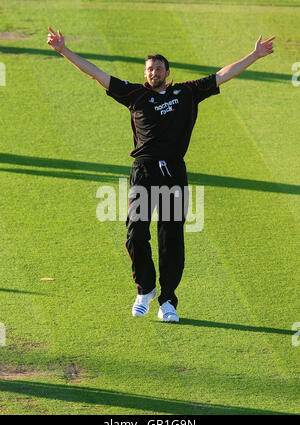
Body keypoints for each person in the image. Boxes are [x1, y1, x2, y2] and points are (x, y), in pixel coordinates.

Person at [47, 27, 275, 323]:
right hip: (143, 170)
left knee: (171, 237)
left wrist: (255, 55)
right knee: (136, 233)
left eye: (157, 67)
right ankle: (146, 289)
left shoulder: (187, 92)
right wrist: (64, 50)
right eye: (149, 69)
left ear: (168, 72)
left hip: (173, 171)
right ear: (146, 74)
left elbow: (222, 75)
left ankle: (168, 300)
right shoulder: (135, 95)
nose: (153, 71)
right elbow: (96, 74)